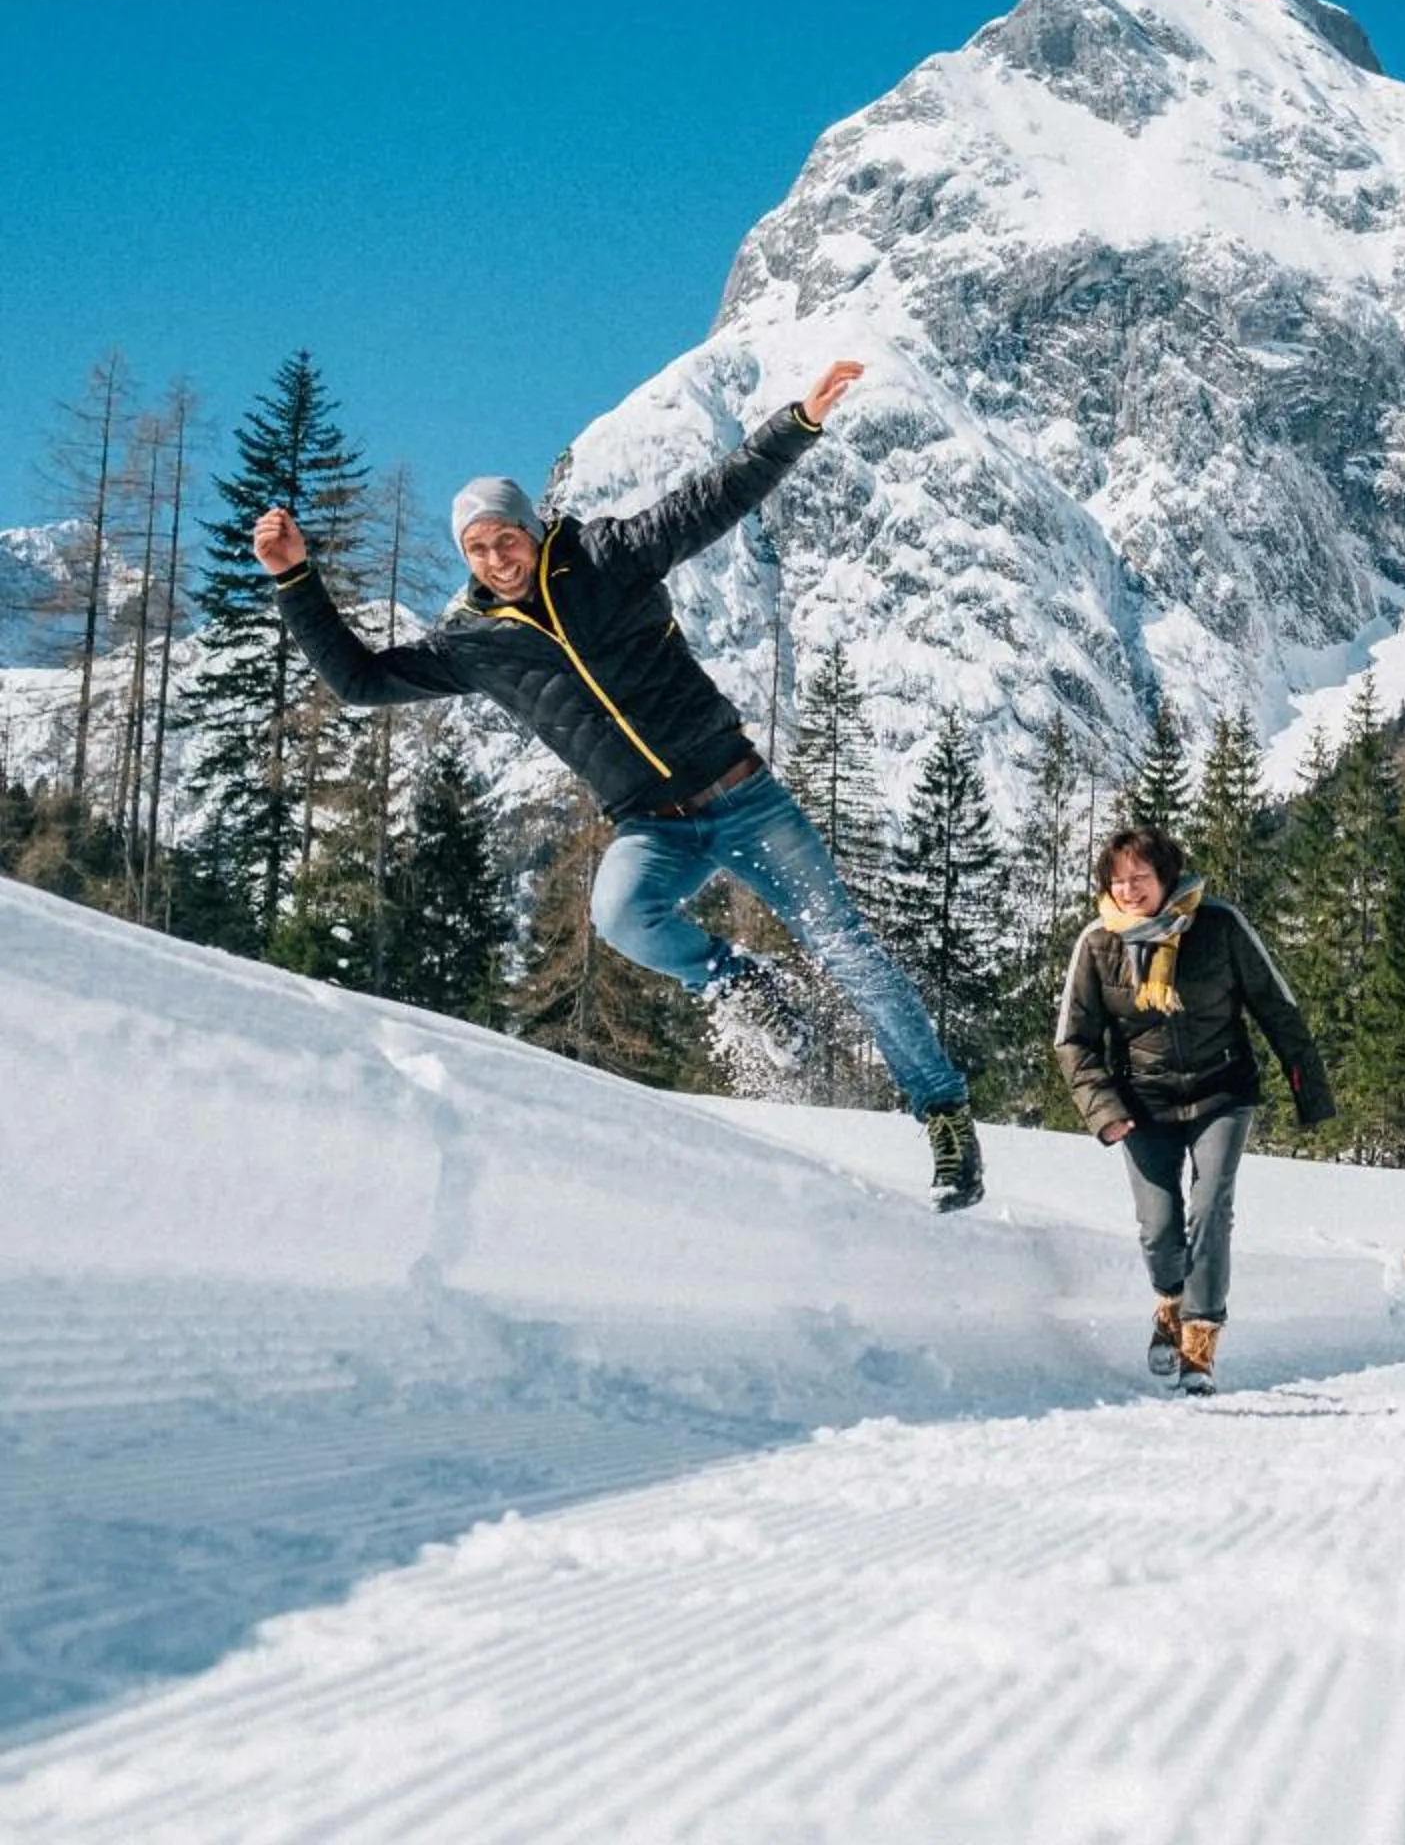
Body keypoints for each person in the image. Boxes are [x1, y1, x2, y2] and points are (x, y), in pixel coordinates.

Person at [252, 361, 986, 1211]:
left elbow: (713, 499)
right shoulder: (474, 645)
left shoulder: (608, 557)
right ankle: (737, 982)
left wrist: (800, 421)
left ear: (532, 528)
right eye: (478, 550)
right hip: (652, 827)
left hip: (742, 795)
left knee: (845, 947)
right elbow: (361, 681)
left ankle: (943, 1114)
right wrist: (294, 579)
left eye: (506, 539)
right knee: (621, 916)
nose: (497, 560)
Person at [1055, 825, 1334, 1395]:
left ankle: (1199, 1344)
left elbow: (1277, 1007)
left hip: (1221, 1094)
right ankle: (1169, 1303)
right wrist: (1104, 1109)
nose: (1130, 891)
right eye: (1119, 881)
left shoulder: (1220, 925)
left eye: (1141, 878)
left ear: (1167, 878)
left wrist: (1311, 1092)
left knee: (1210, 1208)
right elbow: (1074, 1041)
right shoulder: (1098, 942)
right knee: (1159, 1227)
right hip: (1142, 1104)